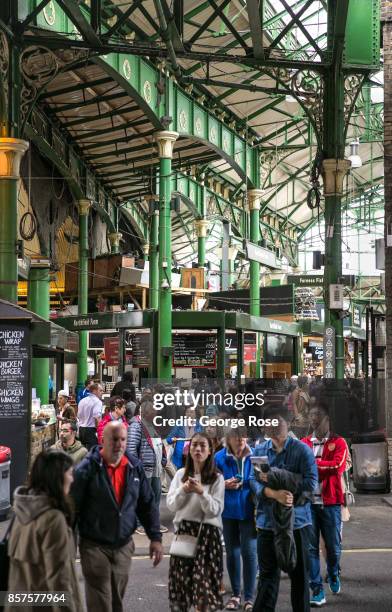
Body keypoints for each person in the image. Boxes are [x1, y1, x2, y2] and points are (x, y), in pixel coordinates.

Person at [71, 421, 163, 612]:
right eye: (114, 439)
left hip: (123, 545)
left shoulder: (134, 467)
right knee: (100, 598)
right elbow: (72, 509)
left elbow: (147, 503)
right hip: (94, 546)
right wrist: (68, 546)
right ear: (103, 440)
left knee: (116, 599)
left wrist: (155, 537)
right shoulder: (87, 469)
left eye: (123, 439)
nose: (119, 444)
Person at [250, 404, 318, 612]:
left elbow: (311, 483)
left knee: (299, 580)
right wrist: (274, 494)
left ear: (288, 424)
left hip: (298, 524)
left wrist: (285, 488)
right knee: (268, 580)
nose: (276, 425)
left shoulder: (302, 451)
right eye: (271, 421)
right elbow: (254, 482)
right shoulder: (260, 451)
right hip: (267, 524)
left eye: (280, 420)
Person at [6, 450, 82, 612]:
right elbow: (59, 580)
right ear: (58, 477)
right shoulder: (53, 519)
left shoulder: (21, 510)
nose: (73, 479)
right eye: (70, 474)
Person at [167, 432, 225, 612]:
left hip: (209, 537)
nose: (198, 449)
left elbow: (215, 510)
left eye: (202, 446)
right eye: (194, 445)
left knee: (205, 593)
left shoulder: (217, 478)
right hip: (184, 533)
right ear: (189, 449)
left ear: (210, 451)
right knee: (180, 592)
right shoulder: (180, 475)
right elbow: (171, 505)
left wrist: (201, 492)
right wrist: (184, 489)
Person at [301, 400, 348, 606]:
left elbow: (337, 466)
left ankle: (333, 571)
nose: (314, 418)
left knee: (333, 547)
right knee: (310, 548)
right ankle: (317, 590)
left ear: (328, 419)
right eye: (311, 414)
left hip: (331, 502)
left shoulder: (339, 442)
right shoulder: (304, 442)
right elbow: (299, 467)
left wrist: (313, 464)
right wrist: (318, 466)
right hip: (308, 503)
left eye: (318, 414)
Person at [215, 430, 257, 611]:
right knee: (232, 553)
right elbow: (210, 482)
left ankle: (249, 597)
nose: (240, 439)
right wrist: (223, 484)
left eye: (243, 435)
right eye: (236, 435)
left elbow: (264, 479)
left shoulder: (256, 455)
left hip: (250, 511)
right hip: (228, 511)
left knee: (249, 552)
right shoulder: (218, 457)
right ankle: (235, 595)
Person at [127, 399, 167, 534]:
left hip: (155, 467)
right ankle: (139, 523)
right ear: (145, 412)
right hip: (143, 467)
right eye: (153, 412)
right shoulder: (136, 426)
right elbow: (131, 448)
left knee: (156, 494)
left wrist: (163, 458)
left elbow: (159, 443)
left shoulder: (152, 425)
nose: (155, 415)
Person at [77, 382, 103, 449]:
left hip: (81, 429)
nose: (102, 392)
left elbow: (78, 415)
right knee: (92, 453)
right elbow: (97, 418)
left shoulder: (82, 401)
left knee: (82, 452)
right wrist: (99, 432)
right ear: (94, 391)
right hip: (91, 431)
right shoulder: (97, 402)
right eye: (100, 390)